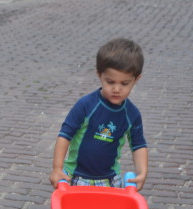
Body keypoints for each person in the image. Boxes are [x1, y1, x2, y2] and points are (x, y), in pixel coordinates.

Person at [49, 38, 148, 191]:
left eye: (124, 84)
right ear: (99, 75)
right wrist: (57, 168)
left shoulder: (132, 114)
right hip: (76, 176)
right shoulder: (86, 105)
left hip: (109, 179)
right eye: (110, 82)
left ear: (136, 79)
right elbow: (65, 134)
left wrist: (142, 172)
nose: (116, 89)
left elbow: (138, 145)